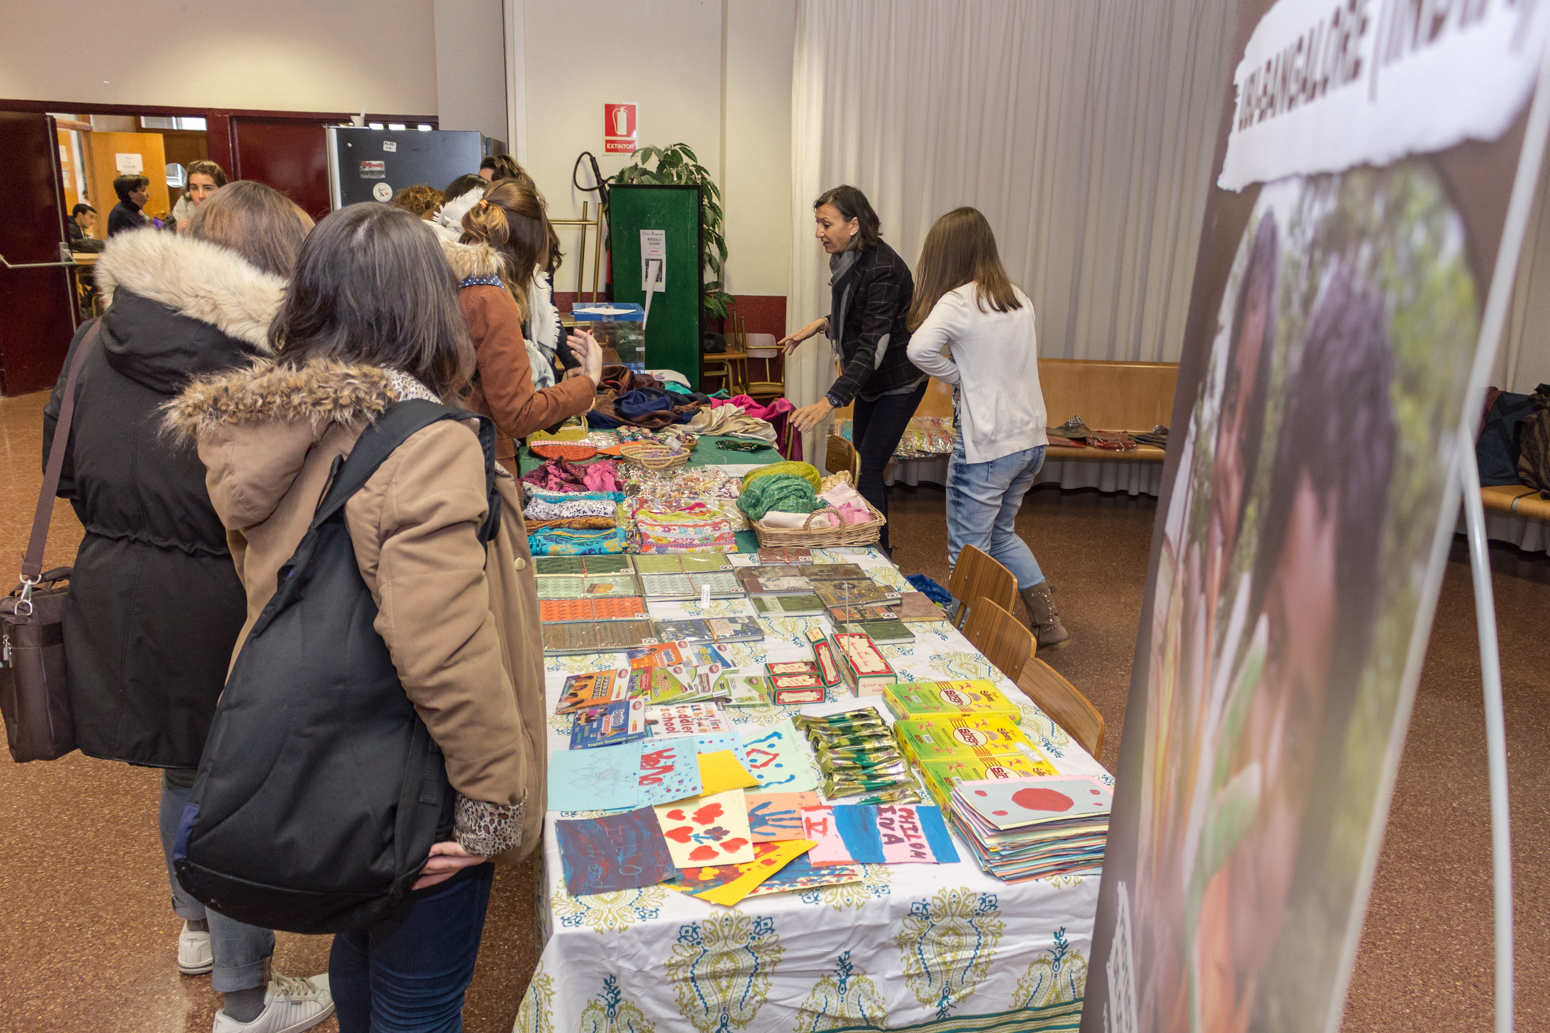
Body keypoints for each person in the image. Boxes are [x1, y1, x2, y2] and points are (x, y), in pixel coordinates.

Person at [166, 202, 546, 1032]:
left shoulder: (271, 426)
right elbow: (443, 648)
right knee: (419, 996)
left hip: (327, 762)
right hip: (417, 779)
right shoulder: (425, 440)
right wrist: (489, 807)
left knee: (362, 949)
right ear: (424, 308)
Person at [43, 182, 331, 1033]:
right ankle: (246, 1004)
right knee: (232, 780)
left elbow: (62, 466)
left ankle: (198, 930)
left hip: (115, 583)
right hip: (221, 590)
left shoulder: (98, 335)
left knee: (182, 768)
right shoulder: (256, 360)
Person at [904, 207, 1069, 649]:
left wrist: (960, 377)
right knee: (1002, 534)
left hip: (989, 447)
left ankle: (967, 642)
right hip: (1030, 441)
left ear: (945, 255)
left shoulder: (958, 301)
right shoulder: (1017, 297)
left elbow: (918, 349)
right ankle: (1047, 623)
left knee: (969, 552)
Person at [779, 185, 925, 552]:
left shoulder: (884, 269)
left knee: (869, 468)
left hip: (898, 381)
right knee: (860, 464)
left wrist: (829, 400)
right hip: (871, 381)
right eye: (817, 223)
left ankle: (880, 556)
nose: (819, 233)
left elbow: (872, 347)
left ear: (854, 224)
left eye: (826, 224)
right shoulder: (851, 257)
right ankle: (864, 544)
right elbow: (857, 314)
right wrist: (821, 324)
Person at [449, 178, 601, 470]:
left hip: (460, 454)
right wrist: (589, 381)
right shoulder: (491, 299)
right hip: (480, 465)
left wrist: (572, 393)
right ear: (529, 243)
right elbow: (518, 414)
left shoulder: (462, 282)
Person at [172, 159, 229, 232]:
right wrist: (179, 235)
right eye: (194, 188)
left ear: (221, 190)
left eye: (208, 188)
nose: (200, 195)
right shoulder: (183, 208)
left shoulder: (235, 215)